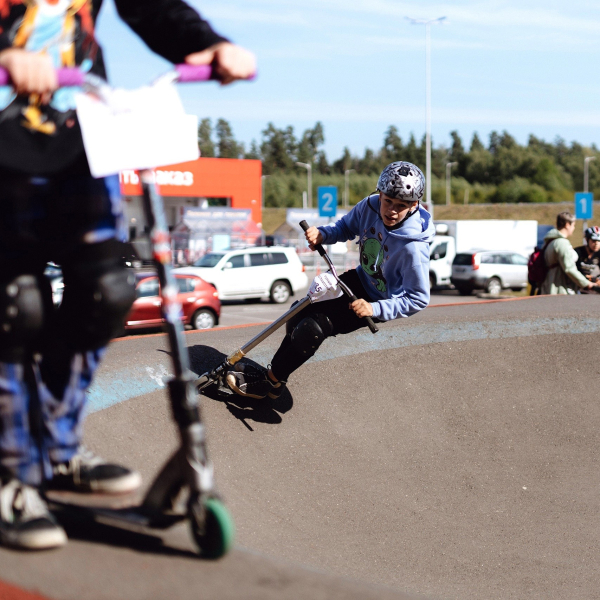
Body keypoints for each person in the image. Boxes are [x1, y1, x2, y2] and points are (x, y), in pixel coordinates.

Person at [0, 0, 255, 551]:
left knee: (109, 285)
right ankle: (10, 469)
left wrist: (205, 43)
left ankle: (56, 449)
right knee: (15, 303)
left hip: (80, 131)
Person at [225, 161, 435, 400]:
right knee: (297, 313)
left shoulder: (413, 248)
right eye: (388, 201)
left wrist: (375, 308)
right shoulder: (370, 206)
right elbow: (345, 227)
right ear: (380, 194)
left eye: (401, 206)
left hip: (375, 301)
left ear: (414, 205)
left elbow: (418, 298)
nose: (391, 211)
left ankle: (270, 384)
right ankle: (275, 375)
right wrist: (323, 234)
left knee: (311, 329)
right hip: (357, 279)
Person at [539, 212, 597, 295]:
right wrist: (587, 284)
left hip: (550, 285)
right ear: (567, 225)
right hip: (559, 288)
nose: (574, 228)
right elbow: (569, 268)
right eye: (573, 225)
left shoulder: (550, 241)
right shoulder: (562, 243)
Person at [574, 226, 600, 291]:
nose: (596, 244)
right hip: (576, 284)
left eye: (599, 241)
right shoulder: (577, 252)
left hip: (590, 285)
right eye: (593, 241)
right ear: (587, 240)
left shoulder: (598, 254)